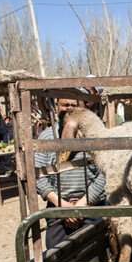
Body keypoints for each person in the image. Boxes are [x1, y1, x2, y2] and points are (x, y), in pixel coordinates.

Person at [34, 96, 107, 250]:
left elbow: (105, 173)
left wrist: (84, 202)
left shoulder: (93, 137)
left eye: (73, 105)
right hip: (58, 207)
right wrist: (62, 205)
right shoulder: (46, 137)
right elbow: (37, 176)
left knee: (97, 255)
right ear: (56, 106)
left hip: (91, 205)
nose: (68, 109)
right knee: (58, 257)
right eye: (64, 104)